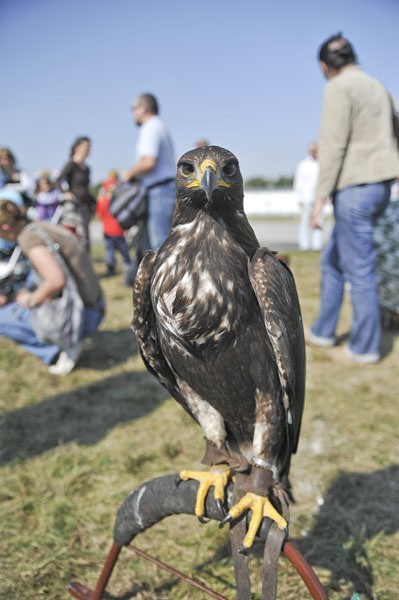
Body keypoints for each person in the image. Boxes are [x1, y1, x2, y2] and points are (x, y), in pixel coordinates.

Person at [308, 33, 399, 364]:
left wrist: (319, 199)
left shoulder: (337, 88)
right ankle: (323, 330)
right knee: (333, 260)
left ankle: (365, 347)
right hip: (380, 185)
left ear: (323, 66)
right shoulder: (376, 85)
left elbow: (333, 145)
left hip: (355, 187)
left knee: (359, 268)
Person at [0, 200, 105, 375]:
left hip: (81, 315)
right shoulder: (40, 226)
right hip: (94, 305)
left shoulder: (29, 237)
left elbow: (56, 281)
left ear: (5, 227)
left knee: (3, 317)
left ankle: (60, 349)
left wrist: (30, 300)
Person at [123, 93, 176, 251]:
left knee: (159, 246)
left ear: (142, 108)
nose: (132, 113)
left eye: (133, 109)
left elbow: (148, 161)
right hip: (164, 190)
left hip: (159, 191)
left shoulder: (150, 127)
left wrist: (129, 173)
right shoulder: (158, 125)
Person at [56, 136, 96, 251]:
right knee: (78, 234)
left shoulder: (87, 168)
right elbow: (59, 180)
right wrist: (66, 192)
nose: (89, 150)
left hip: (86, 205)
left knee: (86, 235)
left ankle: (86, 261)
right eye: (86, 147)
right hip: (75, 206)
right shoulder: (71, 165)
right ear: (77, 148)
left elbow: (86, 187)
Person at [96, 170, 136, 284]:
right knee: (117, 250)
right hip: (114, 230)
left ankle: (116, 267)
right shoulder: (117, 198)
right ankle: (123, 266)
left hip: (114, 230)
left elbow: (100, 213)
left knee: (114, 250)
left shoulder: (104, 200)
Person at [293, 141, 323, 251]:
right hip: (306, 199)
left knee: (318, 223)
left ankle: (317, 246)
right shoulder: (303, 165)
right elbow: (298, 183)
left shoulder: (322, 164)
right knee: (305, 223)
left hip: (319, 199)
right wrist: (299, 198)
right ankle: (304, 245)